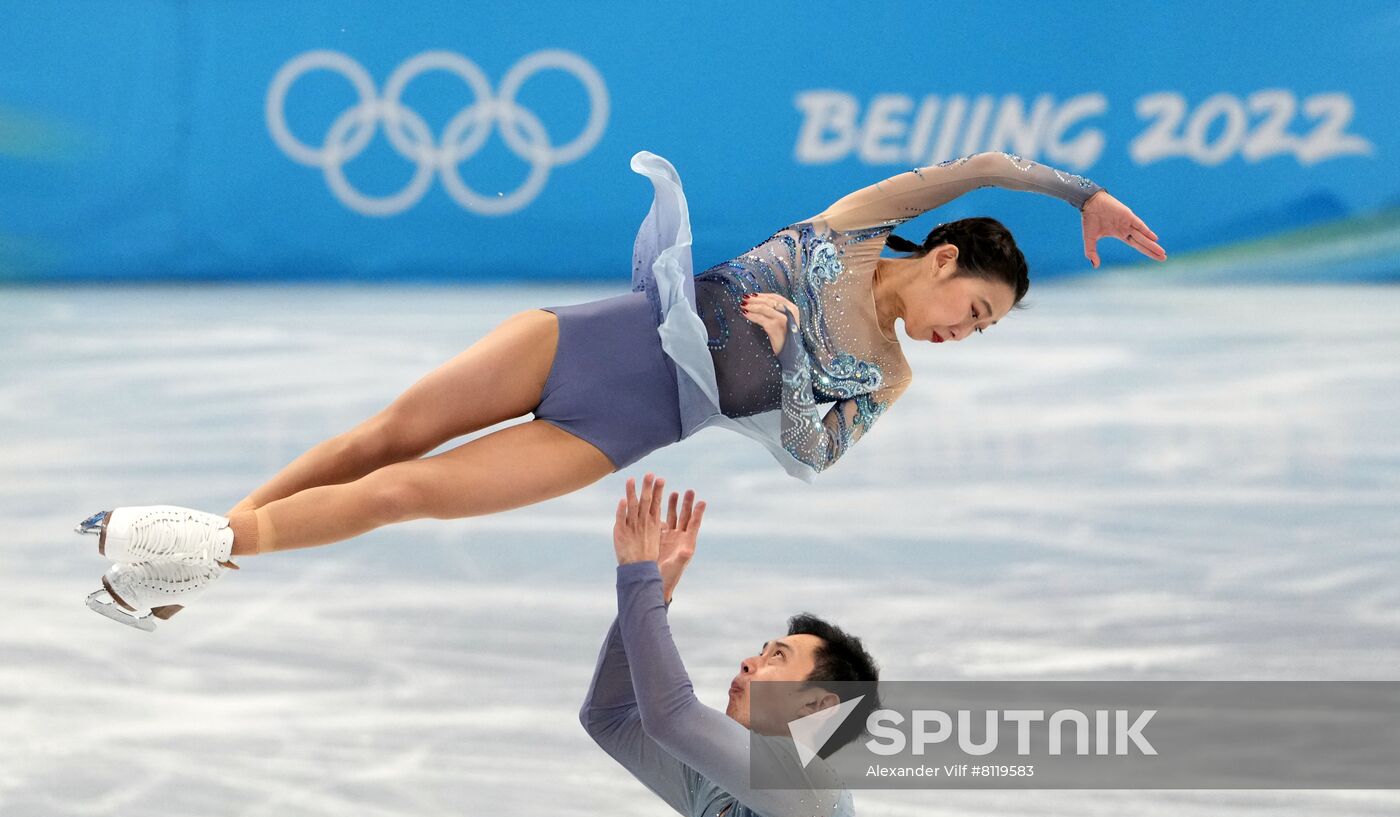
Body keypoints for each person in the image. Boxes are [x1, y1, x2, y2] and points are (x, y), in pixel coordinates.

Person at [75, 150, 1166, 628]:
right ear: (941, 261)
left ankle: (187, 551)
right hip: (588, 342)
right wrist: (1085, 193)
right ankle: (195, 555)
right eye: (972, 311)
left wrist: (788, 359)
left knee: (409, 492)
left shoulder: (888, 374)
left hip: (627, 426)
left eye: (980, 333)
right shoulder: (852, 226)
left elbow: (808, 454)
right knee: (386, 435)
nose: (963, 335)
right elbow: (978, 165)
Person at [583, 473, 879, 817]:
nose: (748, 662)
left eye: (777, 657)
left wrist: (641, 580)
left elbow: (671, 717)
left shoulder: (809, 786)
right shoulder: (721, 787)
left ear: (817, 705)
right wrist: (658, 587)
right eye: (761, 651)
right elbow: (610, 716)